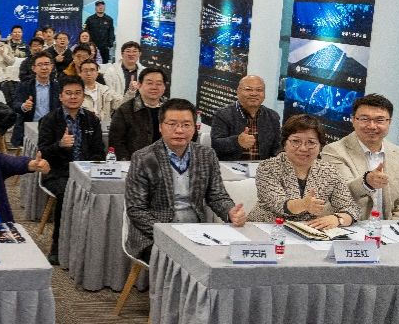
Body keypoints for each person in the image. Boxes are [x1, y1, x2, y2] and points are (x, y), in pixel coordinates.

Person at [125, 98, 247, 262]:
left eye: (186, 125)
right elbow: (136, 209)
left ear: (194, 128)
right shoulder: (143, 158)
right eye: (172, 124)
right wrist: (165, 233)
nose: (179, 130)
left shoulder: (206, 155)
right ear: (160, 127)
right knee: (186, 260)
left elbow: (217, 196)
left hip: (196, 231)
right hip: (154, 232)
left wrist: (230, 211)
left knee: (228, 257)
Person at [38, 75, 106, 262]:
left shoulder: (91, 119)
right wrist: (60, 145)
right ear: (60, 96)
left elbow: (99, 151)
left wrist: (92, 168)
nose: (73, 97)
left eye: (78, 93)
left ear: (84, 96)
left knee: (105, 193)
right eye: (68, 93)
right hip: (58, 173)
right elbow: (42, 153)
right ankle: (57, 247)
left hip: (87, 172)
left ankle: (95, 248)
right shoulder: (50, 120)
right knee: (66, 193)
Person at [248, 114, 360, 228]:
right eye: (296, 141)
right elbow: (279, 204)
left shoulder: (329, 171)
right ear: (284, 143)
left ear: (320, 146)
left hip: (306, 231)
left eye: (311, 142)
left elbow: (351, 208)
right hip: (264, 227)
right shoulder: (268, 167)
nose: (303, 148)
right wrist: (304, 204)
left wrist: (338, 219)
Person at [321, 93, 399, 219]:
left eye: (379, 120)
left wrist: (392, 227)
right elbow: (340, 194)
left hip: (388, 227)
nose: (372, 126)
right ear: (353, 120)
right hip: (348, 226)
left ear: (389, 122)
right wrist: (366, 182)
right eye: (364, 119)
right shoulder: (334, 151)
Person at [211, 75, 281, 161]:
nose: (254, 94)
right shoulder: (223, 114)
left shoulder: (272, 116)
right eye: (248, 89)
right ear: (238, 92)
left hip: (262, 166)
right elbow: (216, 145)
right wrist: (237, 141)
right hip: (230, 166)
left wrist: (281, 154)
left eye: (259, 90)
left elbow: (277, 147)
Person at [109, 67, 168, 160]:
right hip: (135, 163)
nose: (154, 87)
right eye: (149, 83)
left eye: (159, 84)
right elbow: (116, 142)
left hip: (166, 162)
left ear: (164, 87)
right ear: (139, 85)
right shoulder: (125, 110)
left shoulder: (171, 109)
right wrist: (128, 163)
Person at [14, 52, 60, 123]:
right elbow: (15, 104)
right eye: (40, 65)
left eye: (46, 64)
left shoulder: (58, 87)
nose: (44, 68)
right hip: (30, 124)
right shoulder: (24, 85)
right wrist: (24, 106)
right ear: (33, 68)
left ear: (52, 66)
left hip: (52, 126)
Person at [78, 60, 124, 128]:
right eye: (85, 70)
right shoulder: (76, 91)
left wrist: (131, 91)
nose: (89, 73)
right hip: (82, 126)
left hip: (103, 127)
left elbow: (120, 104)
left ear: (97, 73)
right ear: (80, 73)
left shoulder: (106, 90)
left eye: (92, 70)